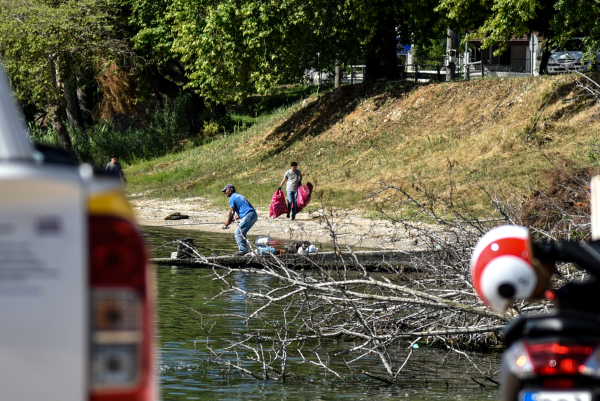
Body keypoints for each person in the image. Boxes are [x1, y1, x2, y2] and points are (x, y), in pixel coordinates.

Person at [221, 184, 258, 256]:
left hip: (248, 215)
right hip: (253, 215)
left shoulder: (232, 198)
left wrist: (228, 222)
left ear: (229, 190)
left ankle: (243, 250)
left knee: (238, 232)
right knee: (242, 233)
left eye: (225, 191)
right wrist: (230, 221)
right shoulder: (239, 196)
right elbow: (240, 213)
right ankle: (245, 251)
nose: (225, 192)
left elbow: (231, 211)